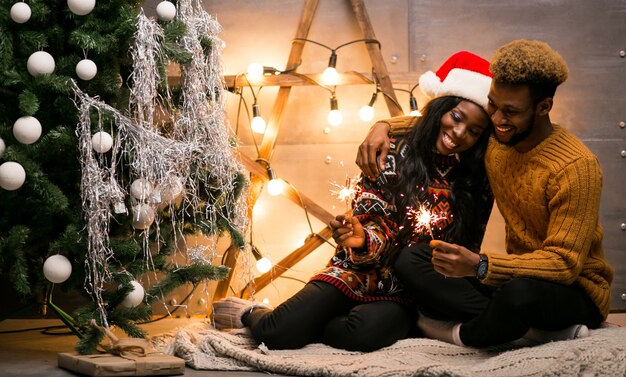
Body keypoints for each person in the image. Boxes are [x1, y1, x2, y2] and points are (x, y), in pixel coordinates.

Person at [212, 51, 494, 352]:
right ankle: (250, 311)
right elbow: (373, 217)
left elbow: (466, 248)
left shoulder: (476, 181)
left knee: (361, 335)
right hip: (357, 268)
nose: (459, 132)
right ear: (441, 108)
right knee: (277, 333)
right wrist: (361, 240)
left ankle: (321, 322)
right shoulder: (392, 151)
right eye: (456, 117)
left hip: (404, 292)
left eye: (474, 131)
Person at [356, 39, 614, 347]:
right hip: (511, 276)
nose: (496, 119)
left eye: (511, 111)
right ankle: (529, 332)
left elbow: (564, 264)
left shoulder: (576, 167)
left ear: (544, 107)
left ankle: (461, 333)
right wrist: (382, 126)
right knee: (413, 258)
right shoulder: (499, 141)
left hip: (573, 289)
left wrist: (481, 266)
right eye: (493, 104)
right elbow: (434, 123)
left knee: (518, 295)